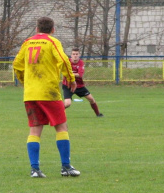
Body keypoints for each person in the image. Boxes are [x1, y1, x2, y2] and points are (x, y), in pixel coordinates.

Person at [13, 16, 80, 178]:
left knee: (35, 130)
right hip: (49, 93)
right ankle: (65, 167)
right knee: (61, 128)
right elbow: (64, 60)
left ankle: (34, 169)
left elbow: (16, 64)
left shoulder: (27, 42)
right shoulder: (52, 42)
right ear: (52, 30)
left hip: (30, 94)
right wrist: (70, 79)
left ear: (36, 29)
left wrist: (24, 82)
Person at [62, 47, 103, 117]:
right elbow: (64, 73)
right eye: (73, 54)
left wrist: (70, 74)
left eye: (76, 54)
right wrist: (71, 74)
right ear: (71, 55)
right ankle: (55, 114)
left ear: (79, 55)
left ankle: (98, 114)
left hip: (79, 86)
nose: (75, 55)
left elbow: (80, 75)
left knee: (91, 99)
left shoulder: (81, 63)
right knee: (67, 104)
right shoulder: (67, 62)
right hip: (68, 85)